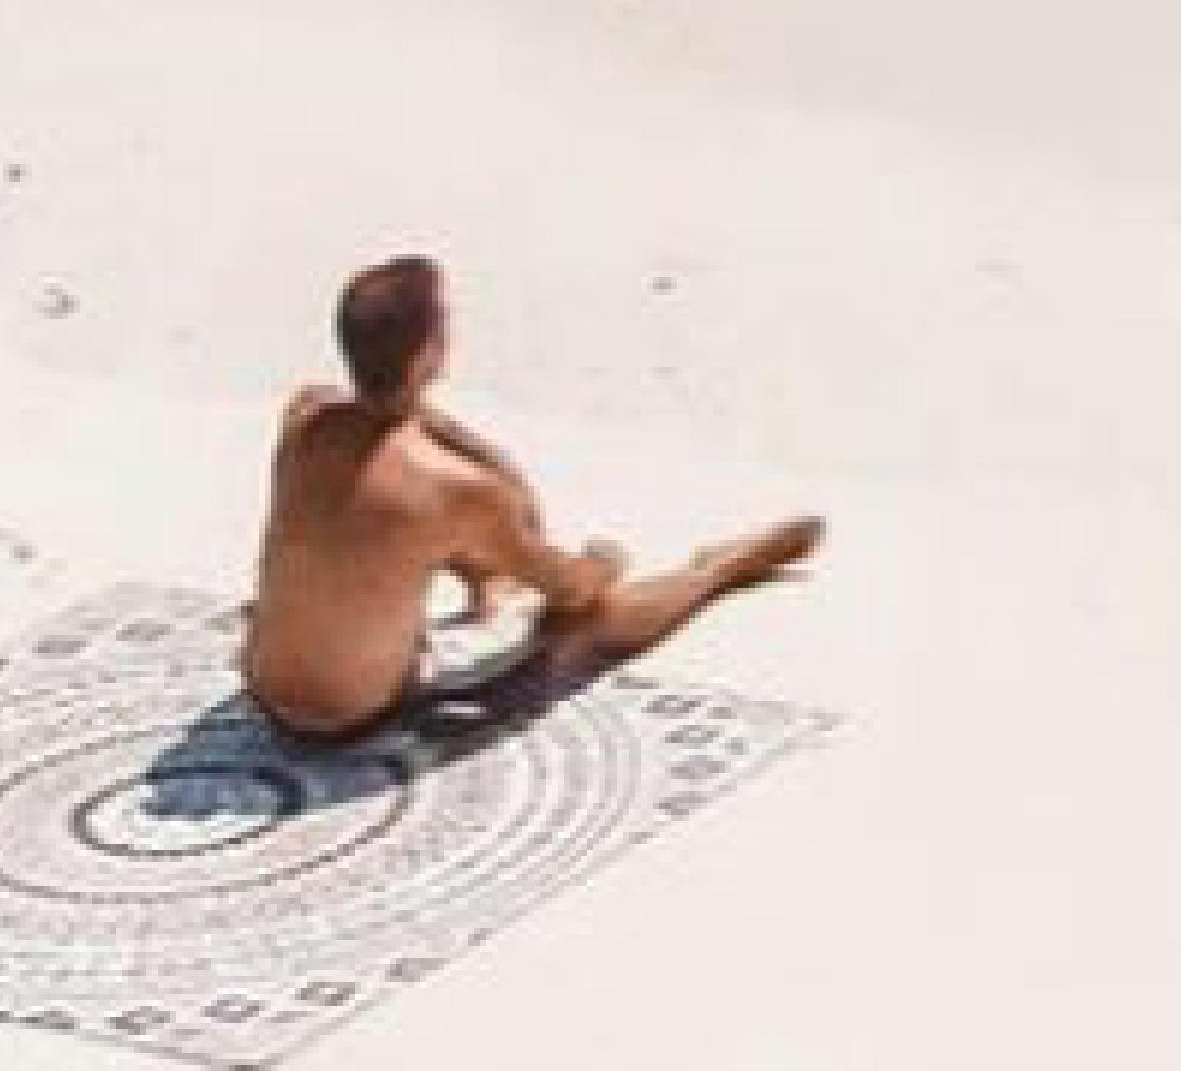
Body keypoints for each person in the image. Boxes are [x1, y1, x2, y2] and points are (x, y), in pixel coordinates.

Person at [239, 252, 819, 744]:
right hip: (356, 714)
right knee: (586, 619)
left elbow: (393, 432)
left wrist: (481, 465)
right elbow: (571, 589)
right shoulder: (456, 490)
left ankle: (485, 580)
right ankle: (713, 572)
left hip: (269, 694)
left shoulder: (305, 417)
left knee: (414, 528)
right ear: (430, 355)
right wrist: (601, 565)